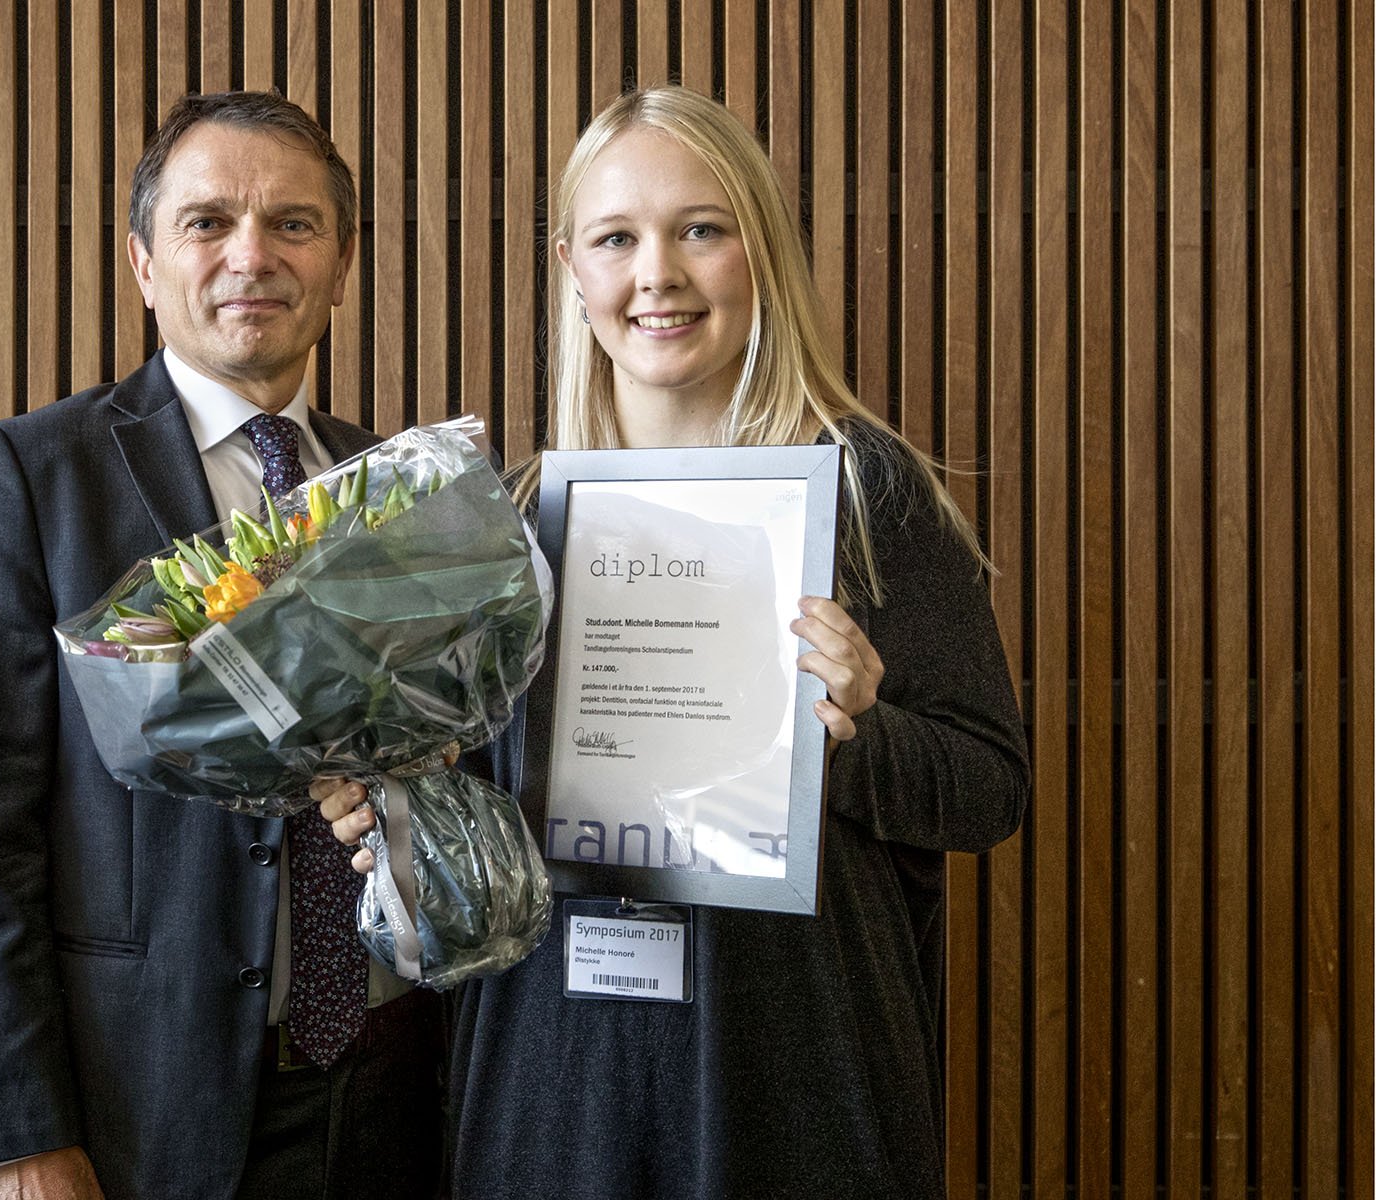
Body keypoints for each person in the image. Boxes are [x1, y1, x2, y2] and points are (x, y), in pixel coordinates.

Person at [316, 86, 1029, 1199]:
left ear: (762, 249)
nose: (658, 273)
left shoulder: (866, 493)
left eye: (702, 228)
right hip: (556, 1090)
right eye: (617, 238)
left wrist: (862, 733)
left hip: (791, 1084)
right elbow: (484, 850)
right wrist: (406, 820)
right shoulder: (505, 526)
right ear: (571, 268)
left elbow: (989, 790)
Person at [0, 91, 444, 1200]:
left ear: (342, 263)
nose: (250, 255)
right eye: (208, 222)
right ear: (144, 263)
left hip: (393, 1095)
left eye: (293, 225)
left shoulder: (400, 489)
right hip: (142, 1103)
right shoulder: (32, 477)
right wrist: (19, 1138)